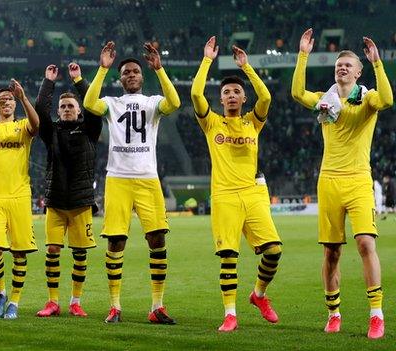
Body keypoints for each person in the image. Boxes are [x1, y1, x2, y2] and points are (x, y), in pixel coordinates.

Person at [292, 28, 393, 339]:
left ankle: (376, 314)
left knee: (366, 243)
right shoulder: (326, 99)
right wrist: (303, 54)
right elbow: (297, 93)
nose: (342, 67)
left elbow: (388, 100)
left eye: (348, 65)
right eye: (338, 65)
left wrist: (378, 63)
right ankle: (334, 313)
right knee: (332, 252)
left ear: (358, 71)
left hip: (360, 179)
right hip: (330, 181)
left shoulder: (367, 97)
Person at [83, 41, 180, 324]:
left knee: (157, 239)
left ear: (142, 75)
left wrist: (160, 70)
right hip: (118, 179)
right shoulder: (112, 103)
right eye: (126, 72)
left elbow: (174, 103)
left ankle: (157, 306)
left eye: (135, 71)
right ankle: (115, 306)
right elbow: (89, 103)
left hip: (148, 179)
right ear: (120, 78)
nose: (131, 75)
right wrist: (102, 69)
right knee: (115, 241)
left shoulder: (152, 103)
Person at [191, 36, 283, 332]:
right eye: (227, 92)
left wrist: (247, 68)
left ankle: (258, 295)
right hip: (225, 195)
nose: (232, 95)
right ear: (221, 99)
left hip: (254, 192)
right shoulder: (212, 123)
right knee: (229, 255)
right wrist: (207, 59)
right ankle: (230, 314)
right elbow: (195, 94)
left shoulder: (253, 122)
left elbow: (266, 99)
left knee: (273, 251)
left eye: (237, 92)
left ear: (244, 98)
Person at [34, 63, 101, 318]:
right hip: (55, 201)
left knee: (80, 253)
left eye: (71, 106)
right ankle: (53, 302)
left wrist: (79, 81)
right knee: (52, 251)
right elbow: (40, 110)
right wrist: (48, 82)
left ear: (78, 110)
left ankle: (75, 301)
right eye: (62, 107)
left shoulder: (90, 129)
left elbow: (94, 106)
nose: (66, 109)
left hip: (81, 202)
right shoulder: (50, 132)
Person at [0, 79, 39, 320]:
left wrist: (23, 98)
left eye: (9, 99)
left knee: (20, 253)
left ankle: (14, 301)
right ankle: (1, 293)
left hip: (20, 195)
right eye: (3, 100)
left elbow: (37, 124)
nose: (6, 103)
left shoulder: (23, 126)